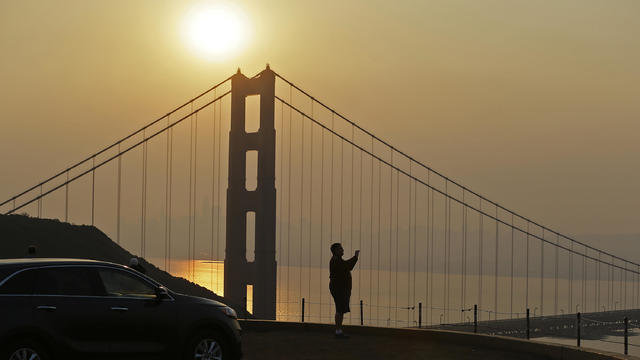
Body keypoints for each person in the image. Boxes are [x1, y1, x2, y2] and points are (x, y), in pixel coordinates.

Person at [329, 243, 359, 338]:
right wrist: (355, 257)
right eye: (340, 248)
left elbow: (346, 265)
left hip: (340, 288)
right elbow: (347, 266)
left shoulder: (337, 260)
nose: (342, 250)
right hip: (338, 289)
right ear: (336, 251)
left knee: (340, 309)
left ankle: (339, 330)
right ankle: (338, 331)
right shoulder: (335, 261)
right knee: (339, 309)